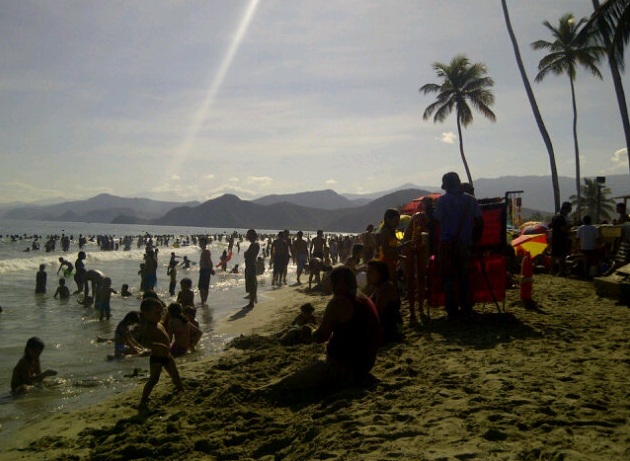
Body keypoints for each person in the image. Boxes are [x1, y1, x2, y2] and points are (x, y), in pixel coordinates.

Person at [271, 266, 382, 394]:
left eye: (330, 282)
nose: (328, 285)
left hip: (345, 367)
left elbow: (321, 337)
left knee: (286, 384)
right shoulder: (363, 297)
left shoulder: (339, 301)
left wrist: (310, 331)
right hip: (366, 363)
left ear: (339, 283)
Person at [433, 172, 483, 321]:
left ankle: (452, 311)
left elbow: (436, 220)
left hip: (447, 245)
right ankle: (467, 308)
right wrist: (474, 240)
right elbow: (480, 221)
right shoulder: (470, 200)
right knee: (465, 277)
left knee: (448, 278)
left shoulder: (443, 201)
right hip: (465, 244)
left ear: (446, 186)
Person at [138, 298, 183, 411]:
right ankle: (144, 398)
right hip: (157, 358)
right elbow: (146, 344)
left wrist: (166, 312)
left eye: (161, 312)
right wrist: (159, 345)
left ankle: (180, 389)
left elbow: (163, 320)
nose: (160, 315)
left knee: (175, 374)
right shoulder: (148, 328)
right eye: (157, 313)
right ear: (146, 314)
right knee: (154, 379)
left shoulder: (158, 323)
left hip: (167, 355)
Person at [366, 260, 403, 343]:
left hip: (391, 327)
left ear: (380, 273)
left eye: (371, 272)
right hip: (384, 324)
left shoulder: (386, 287)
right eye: (367, 272)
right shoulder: (374, 287)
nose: (367, 275)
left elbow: (377, 311)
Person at [377, 208, 402, 283]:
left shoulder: (392, 231)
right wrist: (402, 247)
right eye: (395, 220)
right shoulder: (385, 232)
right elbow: (386, 251)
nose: (397, 223)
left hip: (392, 263)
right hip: (386, 264)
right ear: (388, 220)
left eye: (398, 220)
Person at [550, 201, 573, 277]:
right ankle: (561, 271)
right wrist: (570, 226)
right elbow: (563, 229)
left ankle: (552, 270)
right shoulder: (560, 218)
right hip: (561, 239)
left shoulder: (555, 216)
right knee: (562, 256)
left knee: (554, 255)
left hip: (554, 238)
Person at [576, 215, 600, 279]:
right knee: (594, 261)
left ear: (583, 221)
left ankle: (586, 275)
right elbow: (597, 238)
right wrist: (597, 246)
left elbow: (578, 238)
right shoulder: (594, 228)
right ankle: (596, 273)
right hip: (592, 247)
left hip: (584, 247)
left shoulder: (580, 228)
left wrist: (577, 246)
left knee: (585, 262)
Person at [244, 229, 260, 308]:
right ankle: (252, 299)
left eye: (248, 235)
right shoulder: (253, 244)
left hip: (251, 265)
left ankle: (251, 302)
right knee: (250, 282)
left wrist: (246, 254)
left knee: (252, 283)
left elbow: (251, 255)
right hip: (249, 265)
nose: (247, 236)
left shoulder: (255, 244)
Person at [198, 238, 213, 305]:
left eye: (201, 243)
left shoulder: (206, 252)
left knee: (203, 286)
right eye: (199, 243)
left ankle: (203, 301)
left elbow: (209, 261)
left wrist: (211, 269)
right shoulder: (203, 251)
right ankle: (203, 300)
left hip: (205, 270)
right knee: (202, 286)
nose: (200, 244)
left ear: (204, 244)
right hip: (203, 270)